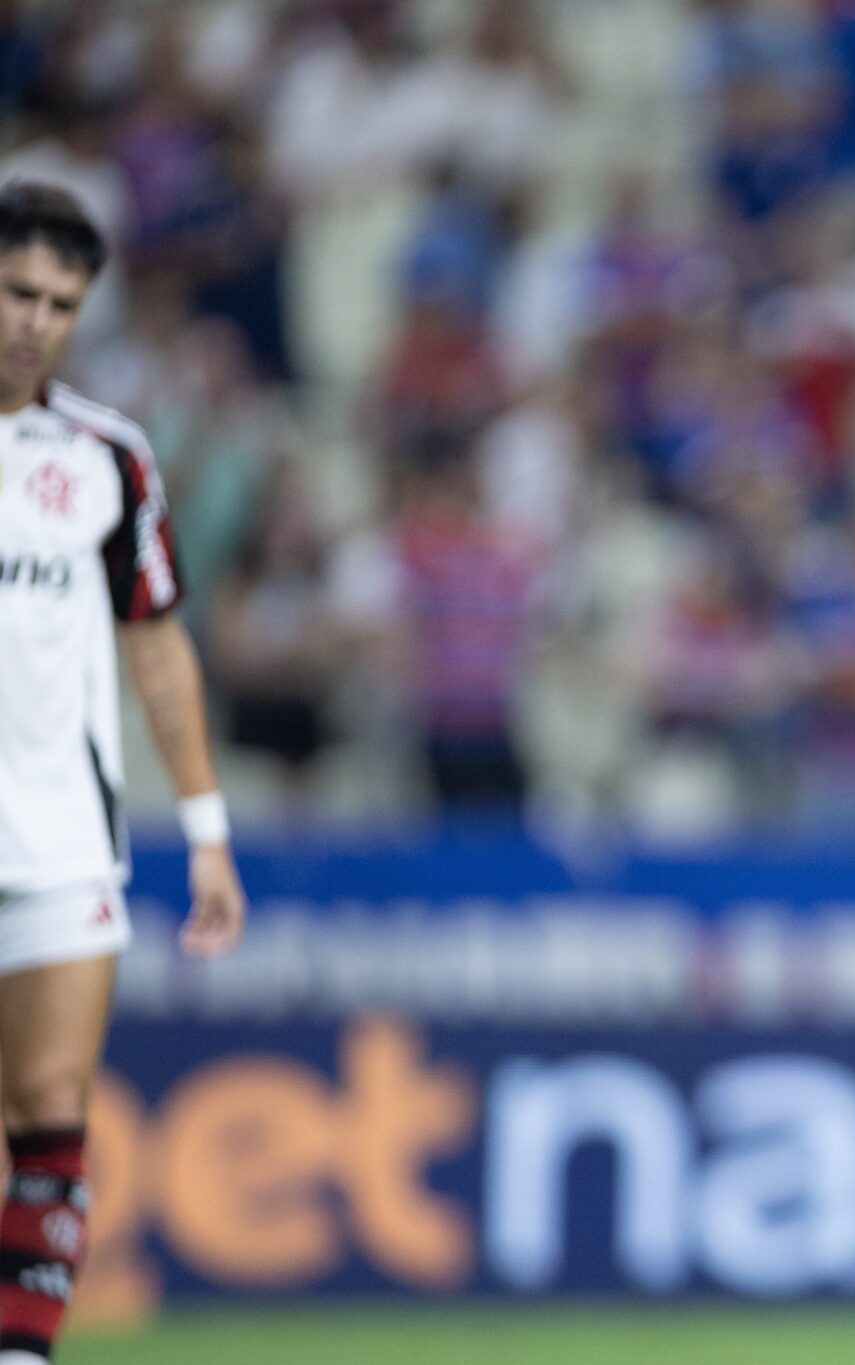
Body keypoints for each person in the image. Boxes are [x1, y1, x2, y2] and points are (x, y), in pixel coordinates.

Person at [0, 182, 246, 1363]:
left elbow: (157, 647)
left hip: (57, 835)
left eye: (59, 302)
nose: (33, 321)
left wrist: (205, 827)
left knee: (50, 1112)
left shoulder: (107, 460)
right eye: (15, 293)